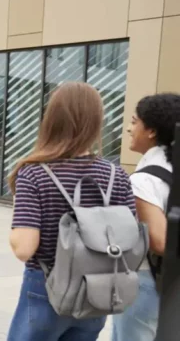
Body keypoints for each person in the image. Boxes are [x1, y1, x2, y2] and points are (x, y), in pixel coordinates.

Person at [6, 82, 136, 341]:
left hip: (46, 288)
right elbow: (131, 242)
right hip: (97, 291)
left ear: (52, 119)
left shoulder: (34, 173)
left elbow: (24, 248)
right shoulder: (117, 175)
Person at [112, 93, 180, 341]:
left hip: (146, 281)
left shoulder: (144, 181)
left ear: (151, 131)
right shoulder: (173, 169)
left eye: (134, 122)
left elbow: (160, 241)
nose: (129, 129)